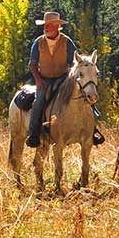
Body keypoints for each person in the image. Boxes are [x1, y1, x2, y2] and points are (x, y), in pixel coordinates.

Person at [26, 11, 76, 148]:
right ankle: (34, 134)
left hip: (63, 79)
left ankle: (91, 129)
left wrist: (69, 76)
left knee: (82, 96)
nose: (46, 28)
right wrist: (38, 80)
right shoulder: (38, 42)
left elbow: (75, 63)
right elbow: (32, 64)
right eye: (45, 25)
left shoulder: (67, 42)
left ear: (56, 26)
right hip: (44, 80)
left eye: (49, 25)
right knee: (39, 101)